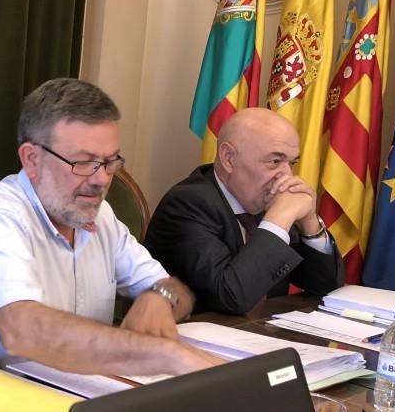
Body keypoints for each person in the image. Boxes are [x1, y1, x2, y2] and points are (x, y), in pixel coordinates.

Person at [0, 78, 220, 377]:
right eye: (83, 162)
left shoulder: (101, 216)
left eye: (110, 162)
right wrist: (163, 354)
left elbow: (176, 291)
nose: (101, 179)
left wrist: (160, 296)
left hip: (57, 388)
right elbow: (23, 331)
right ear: (31, 159)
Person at [144, 107, 344, 315]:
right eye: (275, 162)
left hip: (258, 331)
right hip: (192, 332)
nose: (287, 175)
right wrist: (279, 219)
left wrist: (309, 222)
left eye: (291, 163)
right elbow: (231, 297)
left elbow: (326, 286)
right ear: (229, 158)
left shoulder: (263, 198)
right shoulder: (188, 204)